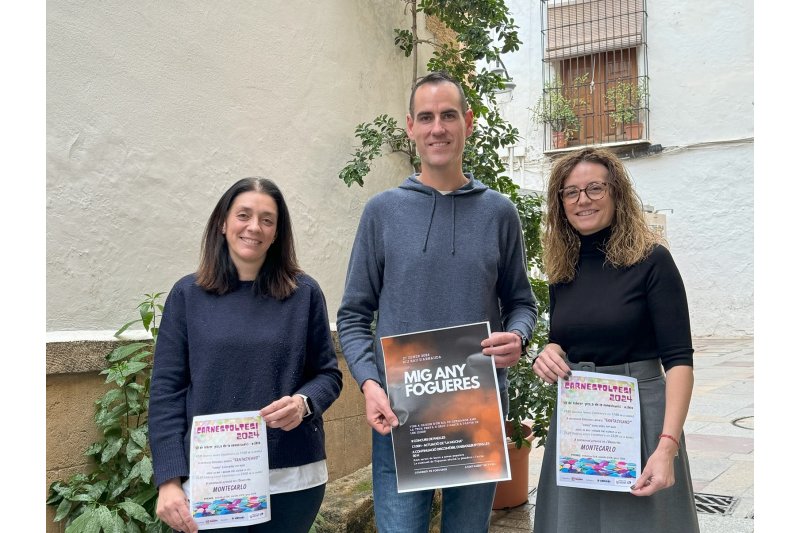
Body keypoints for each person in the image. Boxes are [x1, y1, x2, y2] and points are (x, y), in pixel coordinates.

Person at [336, 71, 537, 533]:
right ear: (410, 127)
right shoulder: (382, 213)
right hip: (401, 416)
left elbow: (522, 303)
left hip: (477, 412)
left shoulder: (499, 213)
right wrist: (369, 385)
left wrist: (518, 336)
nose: (437, 128)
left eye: (448, 115)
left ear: (468, 121)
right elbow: (352, 316)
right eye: (425, 118)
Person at [148, 177, 343, 533]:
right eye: (244, 215)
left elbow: (329, 375)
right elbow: (167, 392)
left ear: (276, 233)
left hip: (292, 479)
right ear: (222, 223)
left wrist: (303, 402)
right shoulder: (187, 296)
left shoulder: (305, 294)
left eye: (267, 220)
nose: (254, 227)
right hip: (214, 480)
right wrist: (168, 480)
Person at [531, 147, 700, 532]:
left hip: (641, 418)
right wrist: (550, 351)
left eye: (594, 188)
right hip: (581, 420)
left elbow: (679, 362)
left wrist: (667, 446)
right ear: (560, 203)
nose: (582, 200)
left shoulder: (652, 260)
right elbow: (562, 340)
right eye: (571, 192)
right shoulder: (562, 268)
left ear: (616, 194)